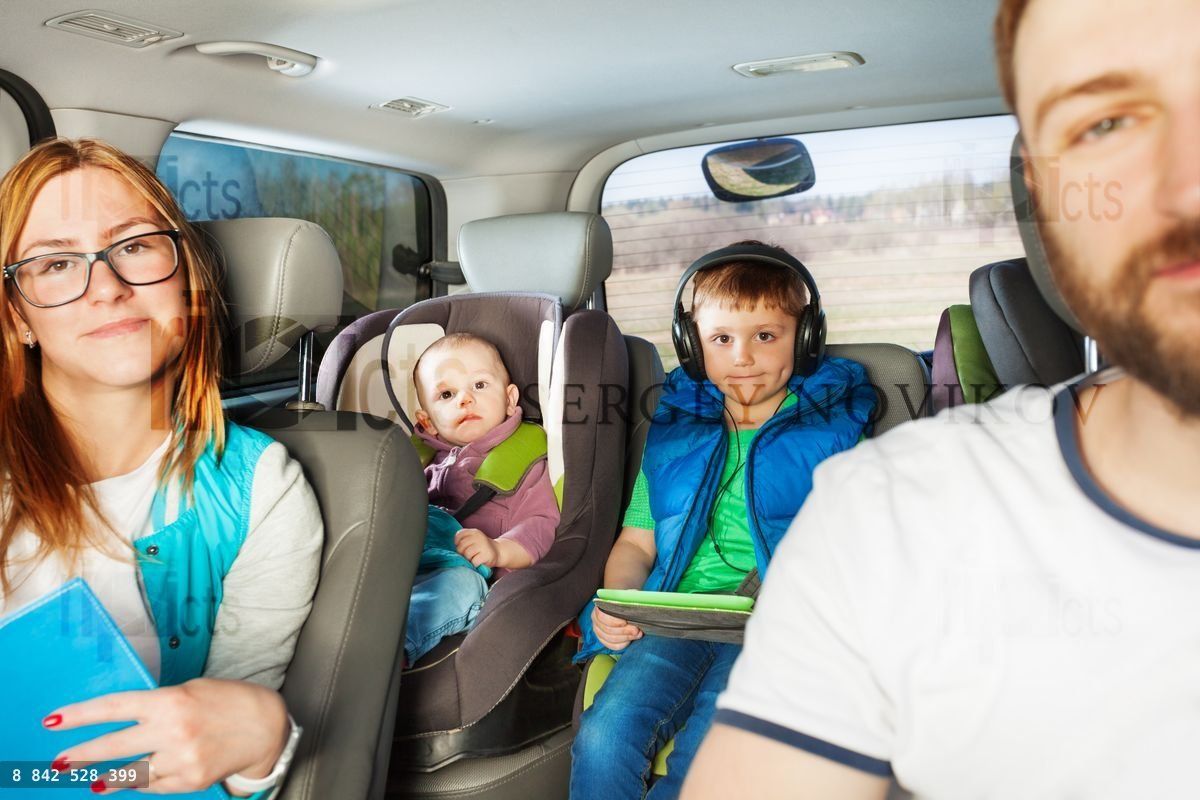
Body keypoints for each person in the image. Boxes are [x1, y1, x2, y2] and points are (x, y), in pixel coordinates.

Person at [682, 0, 1200, 798]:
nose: (1185, 183)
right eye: (1105, 123)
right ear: (1039, 193)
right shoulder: (896, 515)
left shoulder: (838, 431)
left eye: (766, 337)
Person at [0, 138, 323, 796]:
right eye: (58, 263)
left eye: (135, 246)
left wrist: (261, 737)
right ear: (18, 315)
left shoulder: (262, 490)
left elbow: (218, 755)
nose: (109, 289)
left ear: (185, 278)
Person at [569, 242, 875, 800]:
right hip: (677, 616)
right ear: (692, 348)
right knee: (604, 737)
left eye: (766, 335)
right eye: (721, 339)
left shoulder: (834, 431)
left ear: (804, 339)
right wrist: (618, 602)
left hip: (775, 629)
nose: (743, 357)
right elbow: (637, 543)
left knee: (713, 757)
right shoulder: (676, 434)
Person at [405, 333, 559, 665]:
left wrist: (498, 549)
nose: (464, 400)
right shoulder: (422, 465)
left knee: (457, 587)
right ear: (427, 421)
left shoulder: (526, 461)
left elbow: (543, 525)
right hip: (415, 569)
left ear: (509, 399)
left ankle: (393, 648)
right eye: (446, 394)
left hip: (483, 586)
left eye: (479, 385)